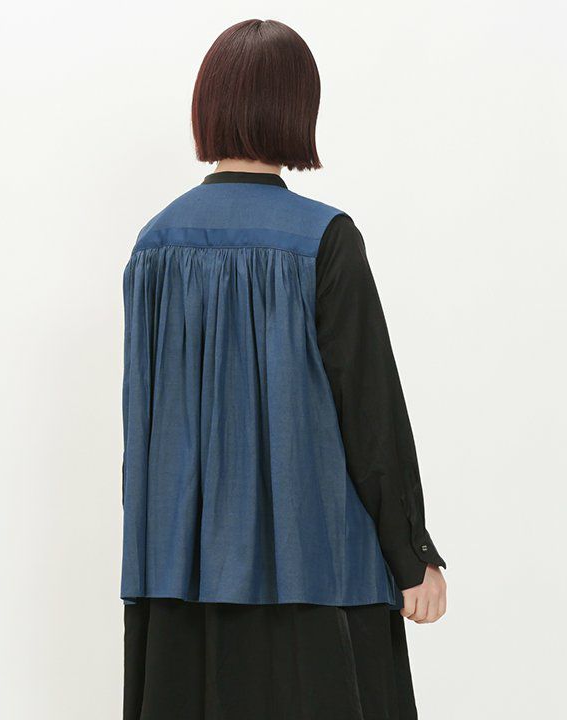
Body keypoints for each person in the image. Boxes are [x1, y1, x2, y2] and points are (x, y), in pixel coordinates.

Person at [121, 18, 447, 720]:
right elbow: (369, 409)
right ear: (299, 110)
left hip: (179, 582)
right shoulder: (325, 239)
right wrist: (411, 552)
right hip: (319, 578)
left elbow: (140, 426)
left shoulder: (153, 249)